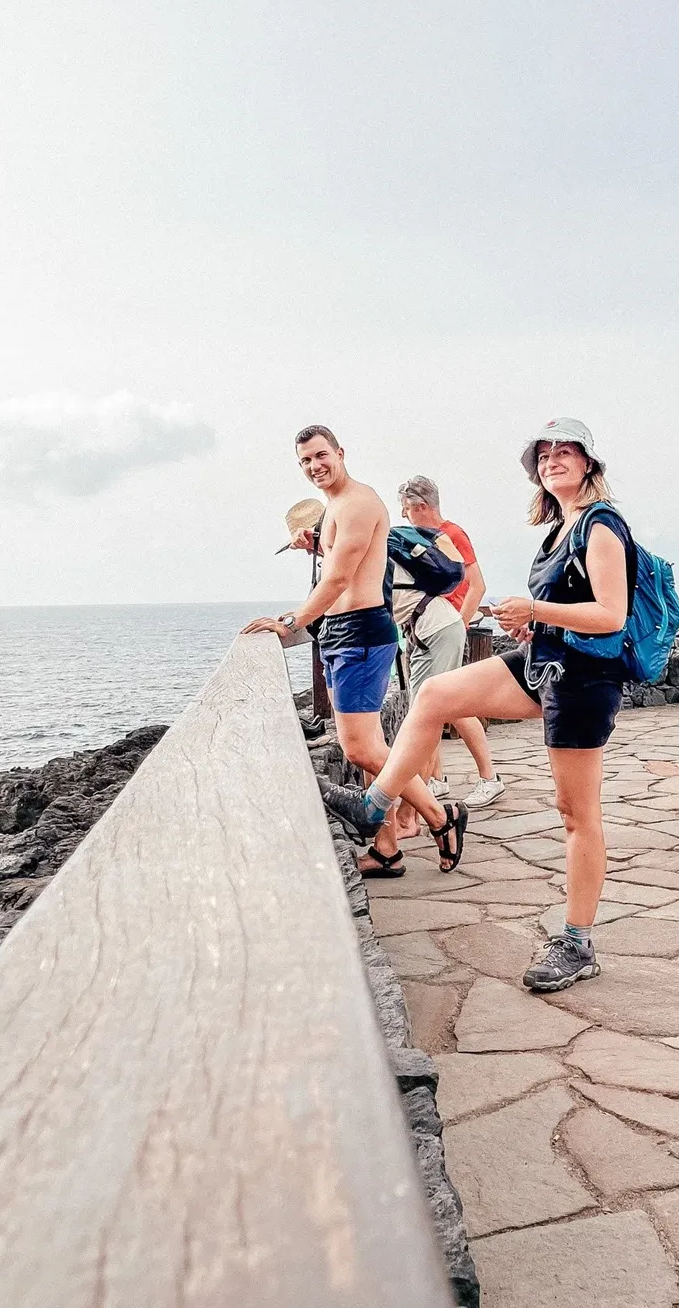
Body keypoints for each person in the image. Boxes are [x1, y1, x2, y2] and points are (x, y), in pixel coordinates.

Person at [322, 418, 633, 993]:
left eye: (566, 453)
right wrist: (527, 623)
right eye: (544, 455)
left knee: (575, 814)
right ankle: (374, 807)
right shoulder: (559, 528)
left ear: (589, 463)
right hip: (546, 661)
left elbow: (611, 615)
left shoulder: (603, 527)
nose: (552, 461)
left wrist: (536, 613)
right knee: (435, 694)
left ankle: (578, 942)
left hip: (585, 680)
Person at [243, 425, 465, 879]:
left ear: (340, 453)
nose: (314, 466)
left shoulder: (361, 503)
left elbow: (342, 578)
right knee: (371, 749)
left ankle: (442, 817)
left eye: (321, 456)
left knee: (361, 748)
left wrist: (291, 622)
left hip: (362, 635)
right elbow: (339, 568)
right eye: (305, 461)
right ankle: (387, 850)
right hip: (342, 633)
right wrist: (316, 547)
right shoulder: (336, 508)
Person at [395, 476, 504, 809]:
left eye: (406, 510)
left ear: (421, 506)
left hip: (443, 627)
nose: (404, 517)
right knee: (438, 706)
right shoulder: (424, 537)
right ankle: (436, 778)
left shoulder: (451, 534)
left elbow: (478, 585)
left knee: (449, 706)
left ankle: (489, 778)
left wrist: (461, 621)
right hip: (426, 627)